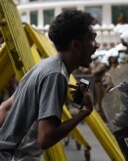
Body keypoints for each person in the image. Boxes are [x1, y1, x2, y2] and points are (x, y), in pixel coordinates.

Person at [0, 10, 98, 160]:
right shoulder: (56, 75)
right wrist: (84, 112)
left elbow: (5, 107)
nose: (96, 46)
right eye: (92, 39)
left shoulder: (45, 66)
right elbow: (45, 138)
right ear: (76, 45)